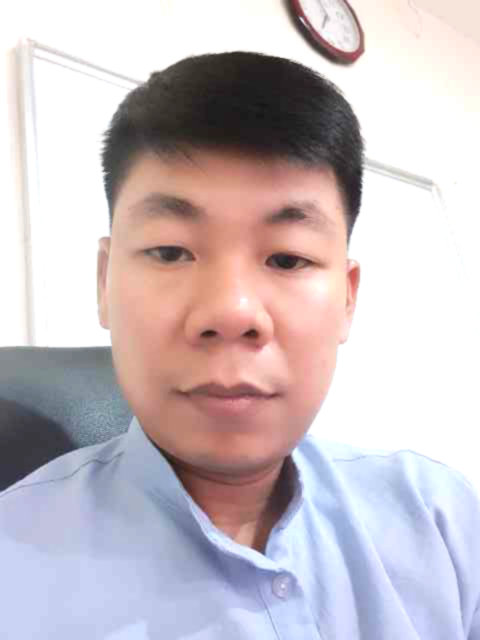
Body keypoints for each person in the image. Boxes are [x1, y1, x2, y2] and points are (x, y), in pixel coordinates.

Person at [1, 51, 479, 639]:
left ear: (347, 299)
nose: (231, 313)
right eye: (170, 251)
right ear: (104, 283)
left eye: (288, 258)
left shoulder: (442, 520)